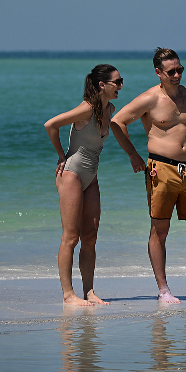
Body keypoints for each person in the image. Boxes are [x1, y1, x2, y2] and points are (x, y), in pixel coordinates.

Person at [110, 48, 186, 303]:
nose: (177, 75)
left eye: (180, 70)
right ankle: (164, 290)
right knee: (160, 230)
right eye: (171, 71)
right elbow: (117, 122)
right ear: (158, 73)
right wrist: (134, 155)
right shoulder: (149, 99)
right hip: (160, 169)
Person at [44, 64, 122, 306]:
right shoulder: (86, 108)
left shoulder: (110, 108)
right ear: (102, 85)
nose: (120, 86)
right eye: (117, 82)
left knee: (90, 235)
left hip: (92, 175)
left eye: (121, 82)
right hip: (72, 173)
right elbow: (51, 125)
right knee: (71, 236)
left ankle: (89, 291)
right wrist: (60, 155)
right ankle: (68, 295)